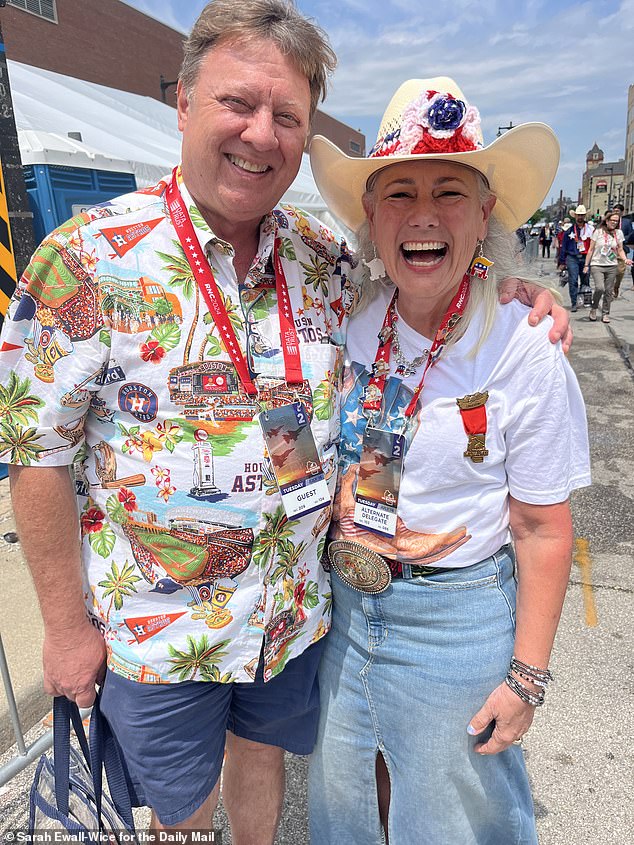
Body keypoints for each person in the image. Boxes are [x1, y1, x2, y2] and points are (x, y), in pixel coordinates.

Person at [0, 4, 569, 840]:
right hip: (166, 628)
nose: (261, 134)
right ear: (185, 101)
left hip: (295, 612)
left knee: (262, 767)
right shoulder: (86, 260)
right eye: (239, 103)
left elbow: (432, 266)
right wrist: (62, 625)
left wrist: (516, 289)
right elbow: (34, 454)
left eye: (287, 117)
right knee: (182, 810)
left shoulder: (323, 261)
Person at [308, 76, 591, 844]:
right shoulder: (350, 318)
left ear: (485, 211)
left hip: (454, 622)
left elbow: (541, 528)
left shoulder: (522, 344)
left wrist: (526, 677)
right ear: (372, 216)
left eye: (450, 192)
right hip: (346, 610)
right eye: (399, 192)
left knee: (455, 825)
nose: (424, 213)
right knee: (350, 810)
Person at [584, 210, 632, 323]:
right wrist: (586, 264)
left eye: (616, 221)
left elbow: (620, 249)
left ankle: (606, 313)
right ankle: (594, 308)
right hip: (597, 264)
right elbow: (591, 249)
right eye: (612, 220)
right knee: (600, 288)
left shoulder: (618, 233)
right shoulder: (598, 232)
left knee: (609, 291)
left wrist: (625, 259)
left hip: (611, 265)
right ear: (607, 221)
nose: (614, 222)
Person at [558, 204, 594, 312]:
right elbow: (563, 246)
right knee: (573, 280)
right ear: (575, 216)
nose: (580, 217)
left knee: (585, 279)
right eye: (578, 215)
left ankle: (584, 300)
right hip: (572, 257)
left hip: (585, 257)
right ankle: (574, 302)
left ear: (585, 216)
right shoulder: (569, 231)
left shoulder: (591, 230)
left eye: (582, 215)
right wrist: (562, 261)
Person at [611, 203, 633, 297]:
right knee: (610, 270)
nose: (615, 213)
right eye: (614, 211)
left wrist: (622, 239)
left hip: (622, 249)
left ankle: (616, 286)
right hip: (611, 250)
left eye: (617, 211)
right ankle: (610, 288)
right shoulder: (610, 221)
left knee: (620, 271)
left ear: (622, 212)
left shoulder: (626, 222)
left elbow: (631, 234)